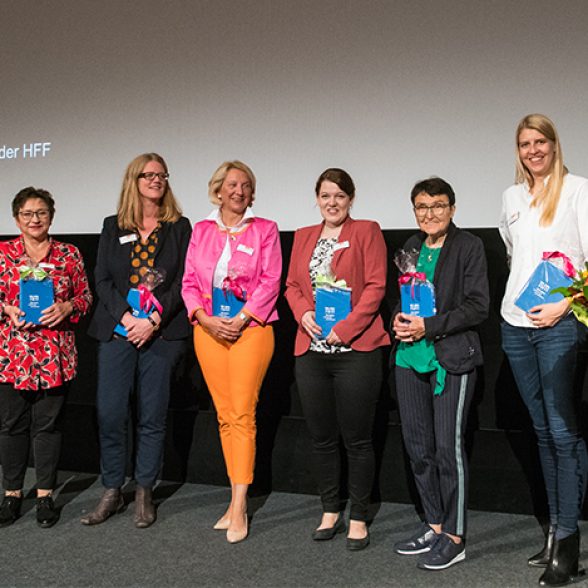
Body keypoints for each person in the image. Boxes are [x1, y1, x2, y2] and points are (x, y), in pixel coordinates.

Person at [500, 114, 588, 587]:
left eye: (540, 141)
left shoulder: (579, 190)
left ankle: (570, 543)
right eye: (524, 143)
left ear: (555, 144)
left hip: (558, 326)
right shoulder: (512, 197)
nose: (533, 150)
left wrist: (562, 306)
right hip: (514, 326)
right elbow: (516, 255)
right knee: (541, 432)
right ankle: (554, 533)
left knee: (562, 431)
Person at [82, 153, 191, 528]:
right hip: (118, 330)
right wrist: (128, 318)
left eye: (162, 174)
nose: (156, 180)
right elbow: (102, 282)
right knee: (110, 412)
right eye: (149, 174)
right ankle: (112, 488)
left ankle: (144, 488)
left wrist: (154, 320)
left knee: (152, 414)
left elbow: (183, 282)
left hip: (161, 334)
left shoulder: (179, 227)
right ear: (134, 180)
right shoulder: (113, 226)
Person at [285, 168, 389, 551]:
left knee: (358, 439)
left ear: (351, 200)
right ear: (317, 198)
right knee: (322, 438)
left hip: (355, 351)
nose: (332, 203)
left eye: (340, 197)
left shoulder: (367, 231)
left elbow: (376, 286)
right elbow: (293, 286)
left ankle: (359, 515)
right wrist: (303, 315)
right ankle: (330, 508)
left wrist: (344, 329)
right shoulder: (303, 236)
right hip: (311, 350)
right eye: (326, 196)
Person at [181, 160, 281, 544]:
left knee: (242, 414)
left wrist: (239, 319)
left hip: (251, 330)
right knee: (225, 416)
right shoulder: (201, 230)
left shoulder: (265, 230)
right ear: (218, 190)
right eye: (232, 184)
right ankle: (233, 496)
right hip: (207, 331)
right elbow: (189, 281)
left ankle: (240, 506)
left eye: (246, 185)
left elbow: (271, 281)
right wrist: (203, 318)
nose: (239, 190)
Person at [391, 177, 489, 570]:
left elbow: (478, 306)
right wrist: (398, 322)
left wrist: (427, 327)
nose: (429, 213)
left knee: (449, 451)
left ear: (451, 208)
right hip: (409, 358)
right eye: (421, 207)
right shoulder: (411, 248)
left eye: (437, 205)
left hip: (451, 358)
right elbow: (402, 298)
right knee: (419, 449)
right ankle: (433, 523)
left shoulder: (469, 246)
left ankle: (455, 535)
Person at [0, 187, 92, 528]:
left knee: (48, 426)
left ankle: (44, 495)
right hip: (12, 355)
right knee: (11, 426)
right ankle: (11, 494)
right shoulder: (2, 253)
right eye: (27, 214)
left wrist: (68, 306)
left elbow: (85, 297)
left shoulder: (69, 254)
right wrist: (6, 308)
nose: (35, 219)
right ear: (16, 219)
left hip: (55, 353)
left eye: (41, 213)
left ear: (51, 216)